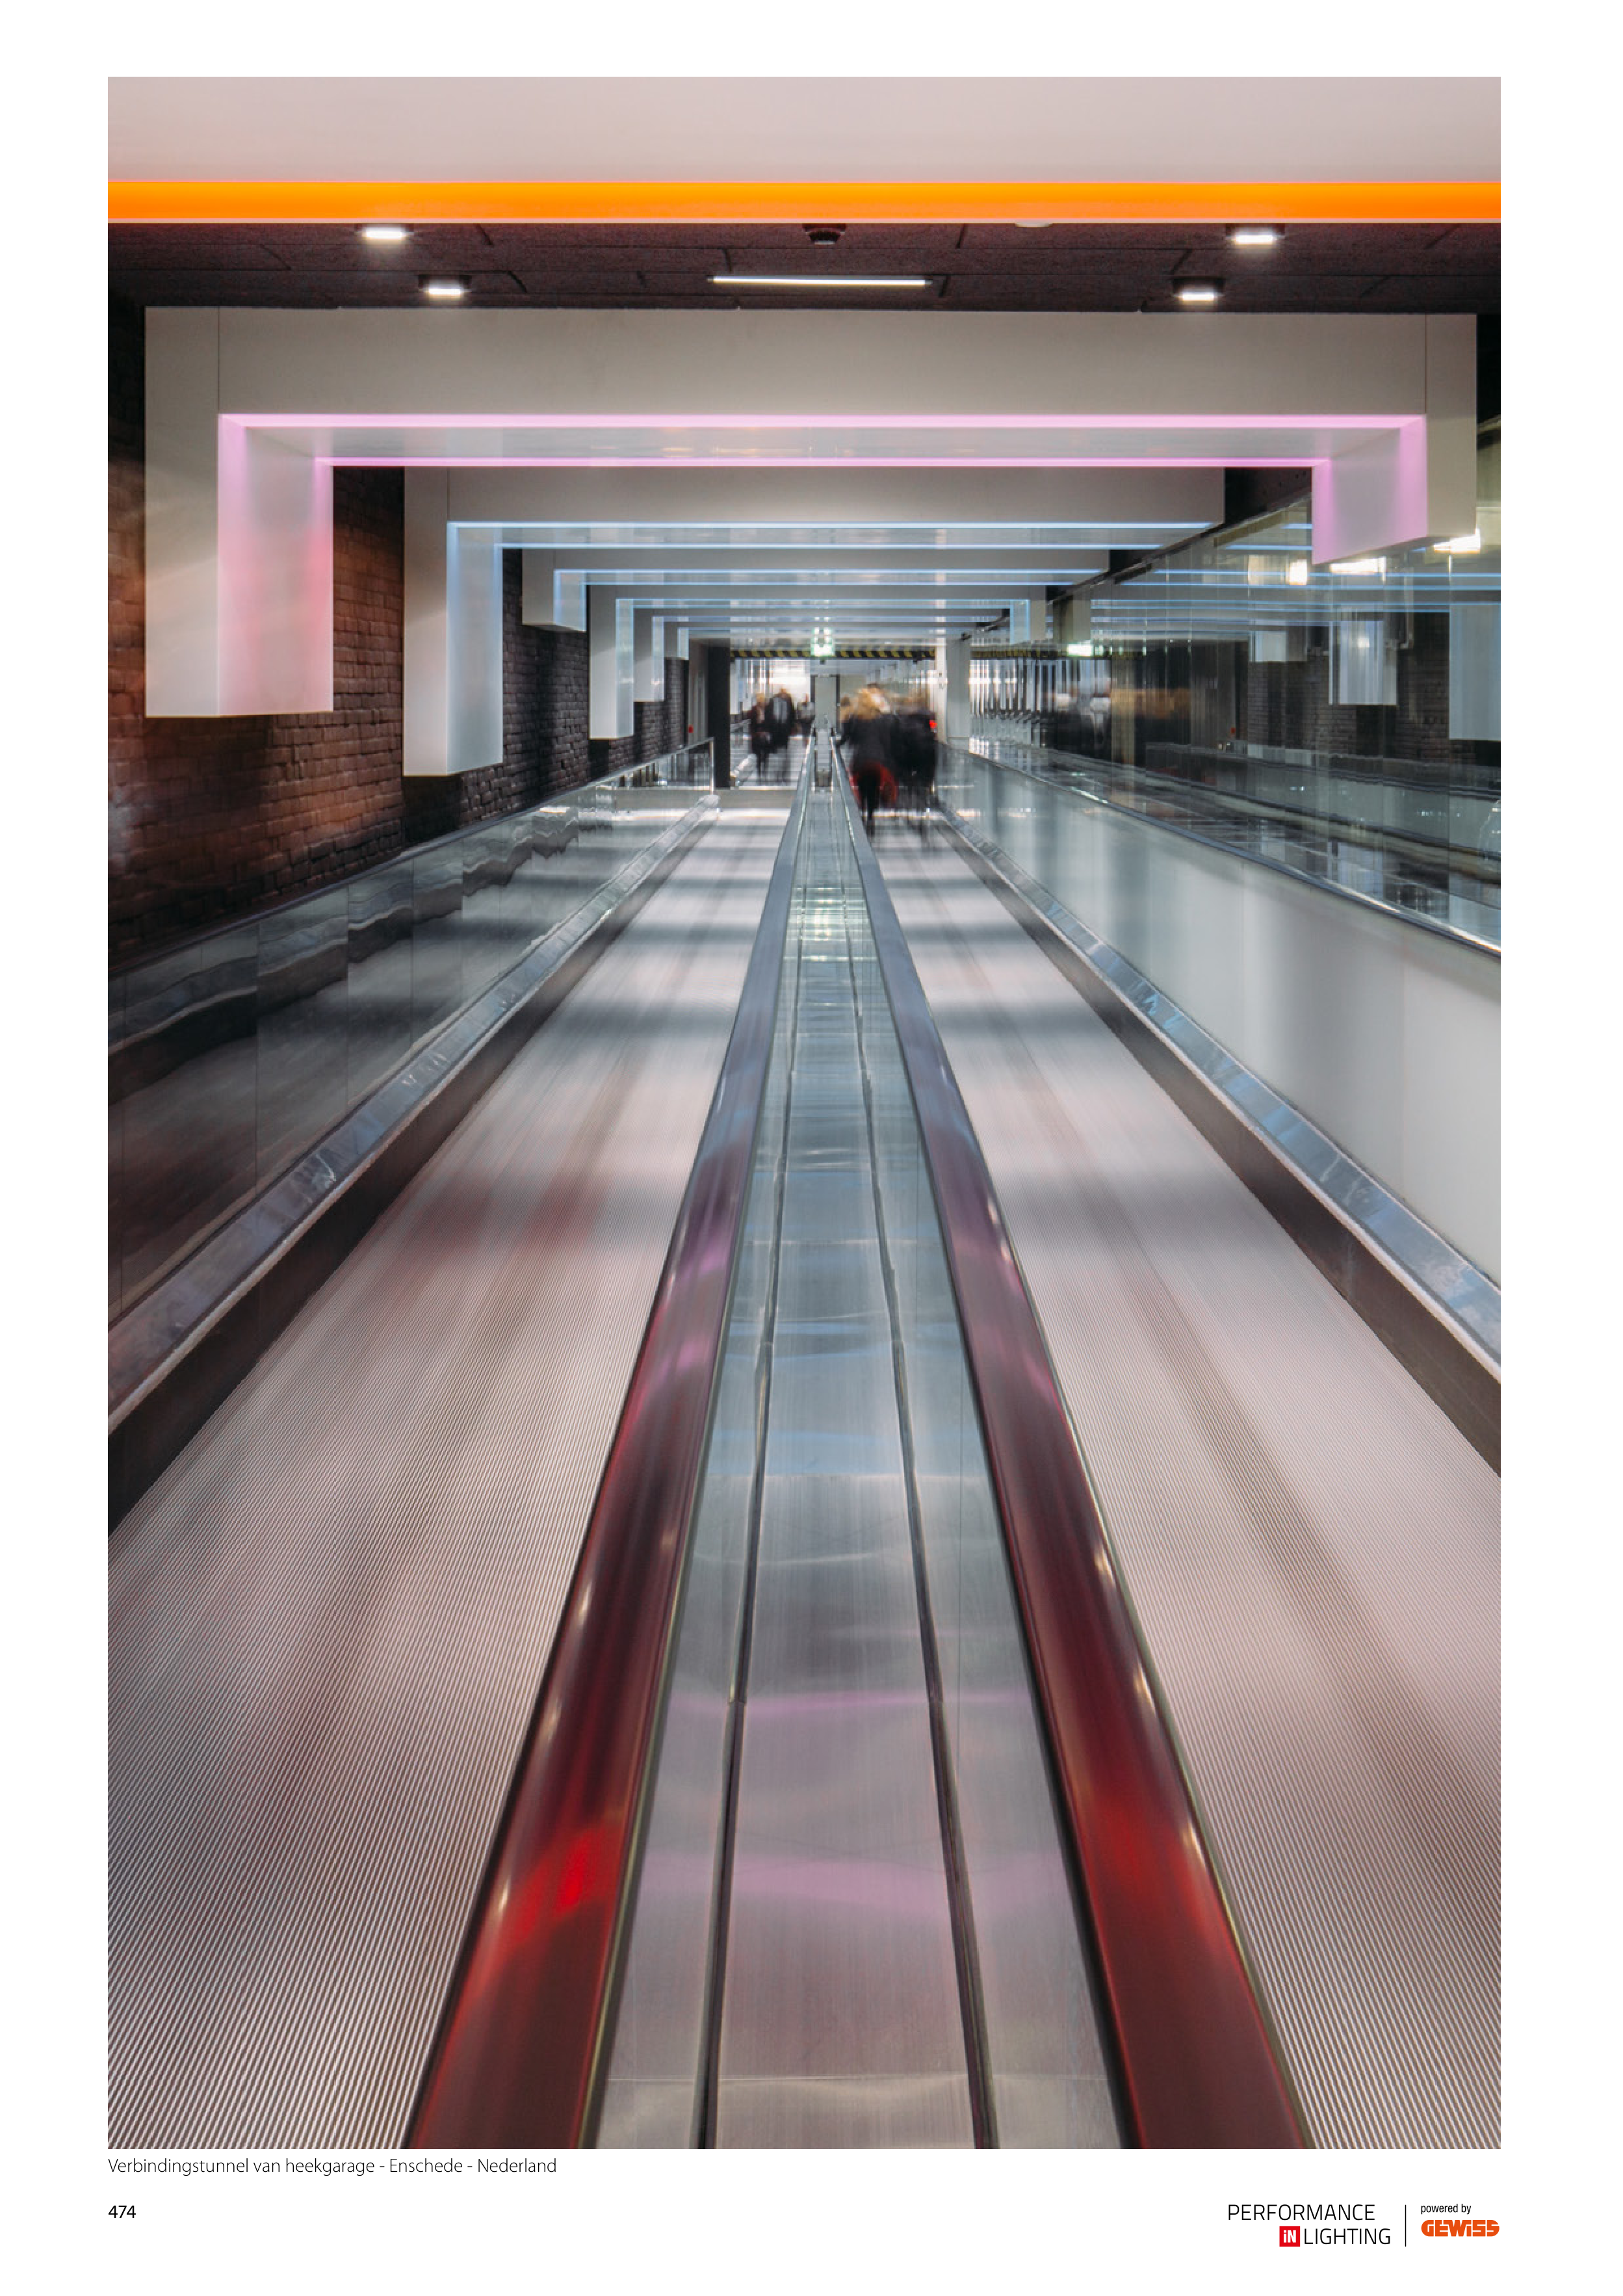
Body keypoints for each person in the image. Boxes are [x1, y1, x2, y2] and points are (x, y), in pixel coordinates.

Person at [837, 685, 894, 832]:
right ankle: (871, 816)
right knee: (874, 788)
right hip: (877, 760)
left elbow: (851, 739)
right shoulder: (880, 718)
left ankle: (862, 810)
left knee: (862, 787)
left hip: (861, 760)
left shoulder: (857, 719)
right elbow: (886, 740)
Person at [764, 686, 796, 779]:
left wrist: (792, 725)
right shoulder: (773, 700)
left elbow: (792, 713)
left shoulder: (788, 700)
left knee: (784, 747)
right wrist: (768, 727)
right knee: (775, 748)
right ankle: (777, 766)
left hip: (785, 727)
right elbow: (768, 714)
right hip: (775, 728)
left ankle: (782, 765)